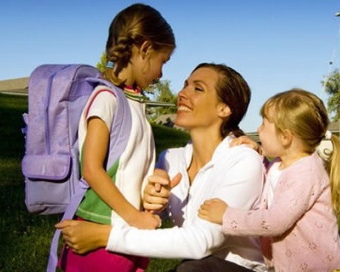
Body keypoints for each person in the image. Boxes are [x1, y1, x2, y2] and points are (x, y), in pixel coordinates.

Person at [56, 63, 267, 272]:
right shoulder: (170, 159)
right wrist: (152, 204)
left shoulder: (243, 160)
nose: (182, 93)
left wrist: (105, 236)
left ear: (224, 108)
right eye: (185, 85)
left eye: (197, 88)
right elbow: (148, 218)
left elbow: (203, 241)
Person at [56, 3, 175, 272]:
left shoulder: (133, 104)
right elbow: (92, 169)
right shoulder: (106, 98)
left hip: (126, 232)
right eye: (163, 61)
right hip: (102, 234)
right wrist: (135, 217)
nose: (162, 73)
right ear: (145, 49)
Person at [198, 89, 340, 271]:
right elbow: (274, 180)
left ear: (285, 137)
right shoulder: (281, 164)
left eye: (264, 124)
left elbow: (275, 221)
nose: (258, 130)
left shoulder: (306, 173)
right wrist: (259, 155)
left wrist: (226, 216)